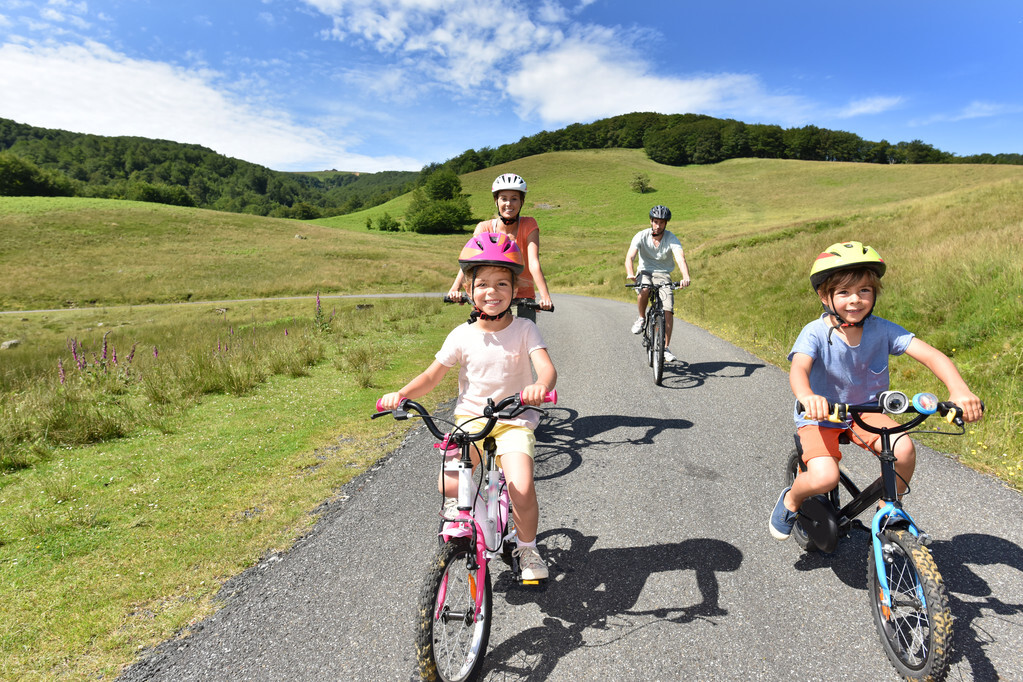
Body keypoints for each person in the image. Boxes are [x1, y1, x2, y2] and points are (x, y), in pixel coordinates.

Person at [769, 241, 984, 541]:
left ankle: (889, 506)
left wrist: (959, 389)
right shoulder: (814, 332)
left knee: (904, 449)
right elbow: (799, 369)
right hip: (821, 415)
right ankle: (791, 499)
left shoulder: (882, 329)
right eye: (843, 292)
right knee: (824, 477)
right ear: (824, 295)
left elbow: (932, 355)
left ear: (875, 293)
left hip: (866, 411)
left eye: (864, 291)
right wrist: (807, 396)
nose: (855, 300)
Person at [382, 232, 558, 580]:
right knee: (447, 483)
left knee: (522, 488)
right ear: (468, 289)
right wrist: (401, 394)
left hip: (514, 420)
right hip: (470, 419)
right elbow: (431, 376)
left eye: (502, 284)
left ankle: (527, 547)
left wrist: (540, 386)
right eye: (483, 284)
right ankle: (470, 516)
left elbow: (547, 369)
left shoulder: (525, 329)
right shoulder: (461, 335)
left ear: (515, 289)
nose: (492, 292)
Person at [447, 173, 553, 321]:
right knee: (482, 331)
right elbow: (468, 262)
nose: (509, 203)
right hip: (490, 295)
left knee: (527, 332)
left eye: (514, 198)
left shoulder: (529, 225)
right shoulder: (484, 228)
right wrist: (455, 289)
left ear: (521, 202)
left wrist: (545, 296)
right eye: (503, 198)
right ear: (496, 201)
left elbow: (533, 262)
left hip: (522, 295)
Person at [624, 205, 691, 363]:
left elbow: (680, 258)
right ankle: (641, 318)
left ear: (666, 223)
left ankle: (665, 348)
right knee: (645, 289)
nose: (658, 225)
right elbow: (630, 257)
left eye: (661, 222)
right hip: (645, 272)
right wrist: (630, 273)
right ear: (651, 221)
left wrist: (685, 276)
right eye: (655, 222)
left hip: (663, 275)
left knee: (668, 309)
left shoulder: (671, 238)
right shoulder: (641, 236)